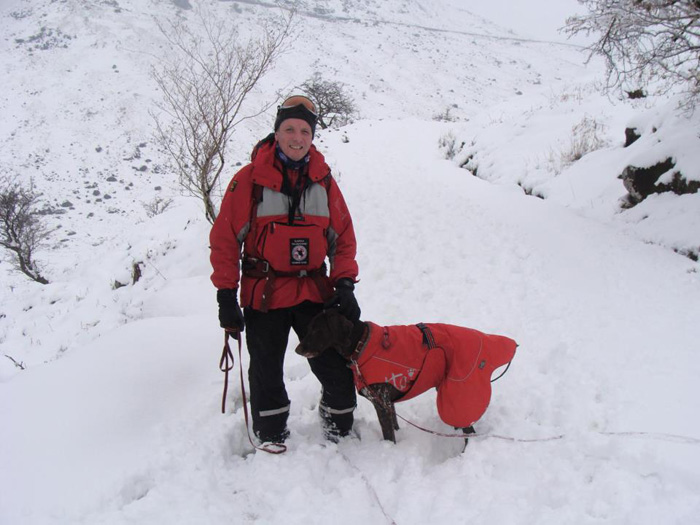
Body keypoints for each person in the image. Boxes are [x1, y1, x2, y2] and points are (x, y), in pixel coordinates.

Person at [209, 95, 361, 445]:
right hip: (264, 294)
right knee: (265, 371)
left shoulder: (324, 181)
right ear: (276, 133)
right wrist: (225, 295)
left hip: (313, 292)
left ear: (312, 136)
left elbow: (344, 239)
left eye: (305, 131)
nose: (297, 137)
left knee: (334, 365)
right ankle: (271, 432)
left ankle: (337, 423)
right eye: (289, 129)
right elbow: (225, 241)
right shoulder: (248, 180)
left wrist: (345, 284)